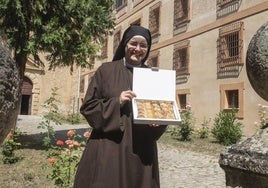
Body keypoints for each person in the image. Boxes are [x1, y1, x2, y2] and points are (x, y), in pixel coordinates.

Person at [74, 25, 167, 188]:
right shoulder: (106, 71)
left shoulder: (154, 77)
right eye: (133, 43)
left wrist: (159, 121)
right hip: (110, 149)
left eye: (143, 45)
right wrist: (117, 101)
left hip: (141, 151)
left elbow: (159, 112)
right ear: (125, 44)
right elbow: (88, 106)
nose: (137, 49)